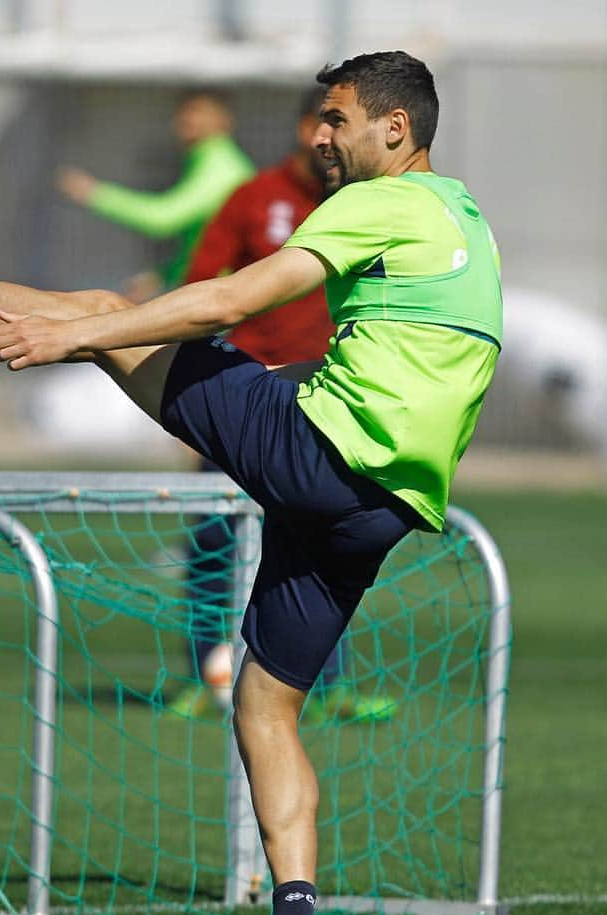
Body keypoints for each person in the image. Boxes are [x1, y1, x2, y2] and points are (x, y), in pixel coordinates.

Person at [0, 50, 502, 915]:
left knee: (101, 315)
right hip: (382, 506)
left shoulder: (384, 203)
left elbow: (231, 297)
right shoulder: (463, 212)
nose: (318, 135)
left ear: (396, 129)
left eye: (336, 119)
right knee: (266, 702)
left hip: (320, 449)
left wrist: (75, 342)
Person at [178, 87, 395, 725]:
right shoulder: (254, 196)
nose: (329, 140)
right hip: (246, 397)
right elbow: (204, 282)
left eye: (340, 124)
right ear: (305, 128)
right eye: (322, 123)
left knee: (321, 542)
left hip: (329, 403)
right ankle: (201, 675)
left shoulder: (369, 207)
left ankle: (329, 687)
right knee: (213, 535)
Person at [57, 89, 256, 296]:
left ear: (224, 120)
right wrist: (164, 275)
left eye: (199, 111)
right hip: (214, 291)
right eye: (184, 111)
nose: (189, 118)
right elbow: (203, 240)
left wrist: (94, 193)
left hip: (225, 297)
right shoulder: (205, 159)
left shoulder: (221, 166)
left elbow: (162, 219)